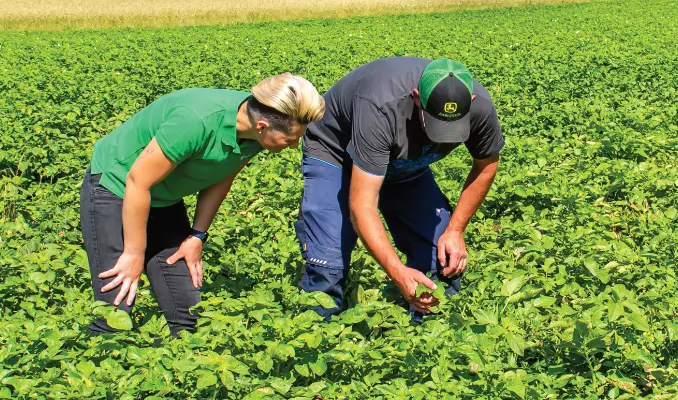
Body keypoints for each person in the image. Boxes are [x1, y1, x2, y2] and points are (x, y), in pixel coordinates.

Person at [80, 73, 324, 336]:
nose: (294, 146)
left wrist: (197, 235)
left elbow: (223, 174)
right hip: (116, 186)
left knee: (187, 316)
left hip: (164, 198)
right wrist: (133, 254)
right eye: (290, 140)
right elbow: (138, 182)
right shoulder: (195, 121)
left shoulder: (255, 133)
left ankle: (169, 373)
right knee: (115, 310)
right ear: (263, 126)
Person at [295, 57, 503, 321]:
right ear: (416, 98)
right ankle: (314, 337)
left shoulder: (480, 108)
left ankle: (428, 347)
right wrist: (396, 271)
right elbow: (363, 205)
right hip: (336, 154)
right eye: (435, 124)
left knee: (439, 258)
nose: (441, 136)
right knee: (328, 262)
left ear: (471, 102)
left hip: (403, 164)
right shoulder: (381, 106)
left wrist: (455, 230)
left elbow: (486, 165)